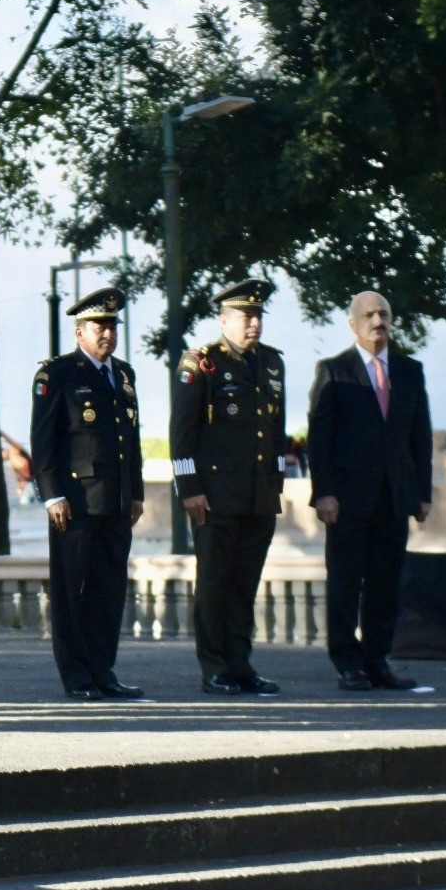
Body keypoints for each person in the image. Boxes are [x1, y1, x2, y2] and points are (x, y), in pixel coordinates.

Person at [308, 291, 433, 692]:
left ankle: (377, 660)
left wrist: (422, 493)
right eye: (369, 315)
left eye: (383, 313)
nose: (378, 320)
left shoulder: (410, 371)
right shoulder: (334, 371)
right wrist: (323, 492)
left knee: (385, 582)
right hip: (346, 500)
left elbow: (420, 436)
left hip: (394, 497)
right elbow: (319, 440)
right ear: (352, 324)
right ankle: (348, 663)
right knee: (345, 582)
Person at [170, 279, 287, 696]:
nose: (252, 324)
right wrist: (189, 488)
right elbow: (182, 433)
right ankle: (214, 667)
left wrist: (275, 485)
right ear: (224, 320)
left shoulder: (272, 363)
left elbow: (276, 433)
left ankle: (241, 664)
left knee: (244, 584)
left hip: (258, 495)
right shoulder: (202, 363)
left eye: (257, 317)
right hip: (215, 495)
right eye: (244, 317)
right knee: (215, 583)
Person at [30, 288, 145, 700]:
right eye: (99, 327)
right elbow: (42, 442)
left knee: (109, 591)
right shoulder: (57, 374)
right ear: (79, 332)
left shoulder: (124, 375)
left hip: (115, 501)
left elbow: (130, 440)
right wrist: (51, 495)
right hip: (75, 503)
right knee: (71, 593)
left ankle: (103, 671)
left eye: (112, 327)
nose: (107, 334)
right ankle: (77, 676)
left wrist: (135, 492)